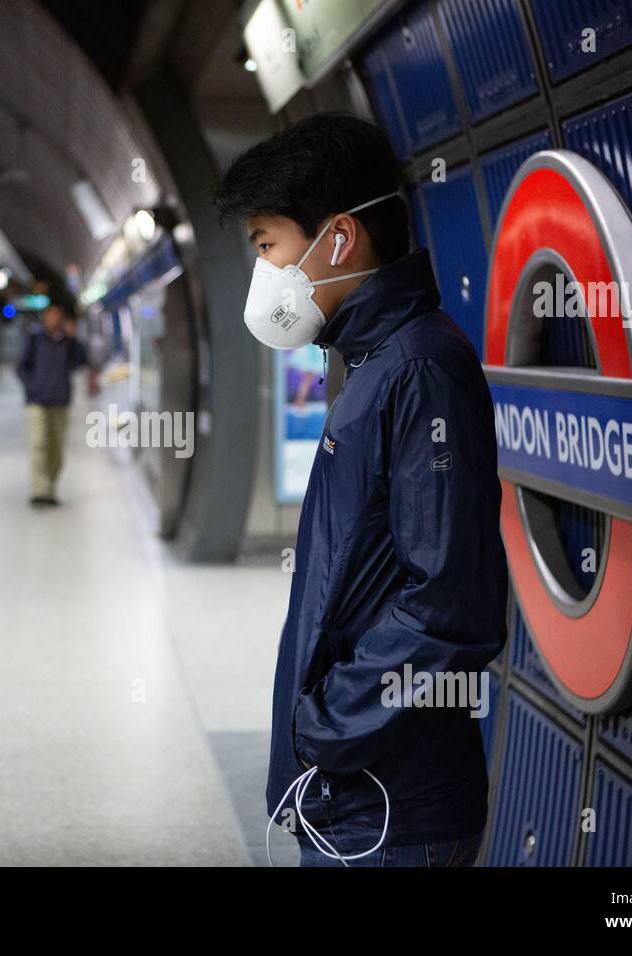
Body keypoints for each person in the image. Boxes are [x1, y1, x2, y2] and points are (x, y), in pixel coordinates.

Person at [214, 113, 507, 867]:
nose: (265, 273)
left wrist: (325, 727)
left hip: (391, 801)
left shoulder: (417, 371)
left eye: (267, 246)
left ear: (338, 238)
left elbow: (450, 607)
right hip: (362, 788)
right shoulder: (377, 359)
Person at [15, 304, 85, 506]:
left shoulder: (67, 341)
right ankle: (39, 489)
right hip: (37, 401)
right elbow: (21, 367)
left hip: (60, 401)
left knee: (57, 449)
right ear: (45, 316)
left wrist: (74, 339)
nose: (54, 318)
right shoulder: (35, 338)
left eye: (58, 314)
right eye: (51, 314)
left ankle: (51, 489)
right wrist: (33, 387)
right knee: (39, 444)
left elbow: (80, 362)